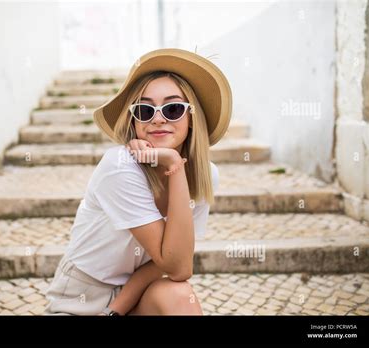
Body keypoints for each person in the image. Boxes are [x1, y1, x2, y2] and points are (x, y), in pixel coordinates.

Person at [44, 48, 232, 315]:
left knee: (179, 295)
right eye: (144, 110)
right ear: (134, 121)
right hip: (80, 297)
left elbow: (176, 266)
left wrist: (175, 167)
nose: (157, 118)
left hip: (137, 293)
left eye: (174, 108)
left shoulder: (204, 174)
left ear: (192, 117)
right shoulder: (119, 168)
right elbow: (174, 265)